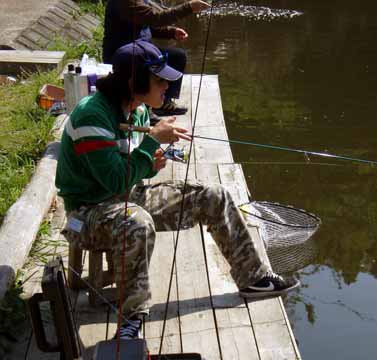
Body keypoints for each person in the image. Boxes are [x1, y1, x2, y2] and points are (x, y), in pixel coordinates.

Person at [56, 40, 299, 340]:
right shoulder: (92, 115)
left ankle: (254, 278)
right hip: (85, 212)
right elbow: (115, 180)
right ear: (136, 81)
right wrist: (152, 143)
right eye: (160, 80)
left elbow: (133, 171)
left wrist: (150, 162)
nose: (168, 87)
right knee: (137, 222)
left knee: (213, 196)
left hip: (124, 197)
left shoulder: (138, 110)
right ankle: (132, 319)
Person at [103, 0, 210, 117]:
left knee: (178, 56)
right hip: (124, 55)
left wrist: (171, 32)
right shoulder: (126, 2)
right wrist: (188, 7)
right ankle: (147, 108)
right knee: (149, 69)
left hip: (141, 51)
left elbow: (148, 25)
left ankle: (163, 103)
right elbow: (155, 18)